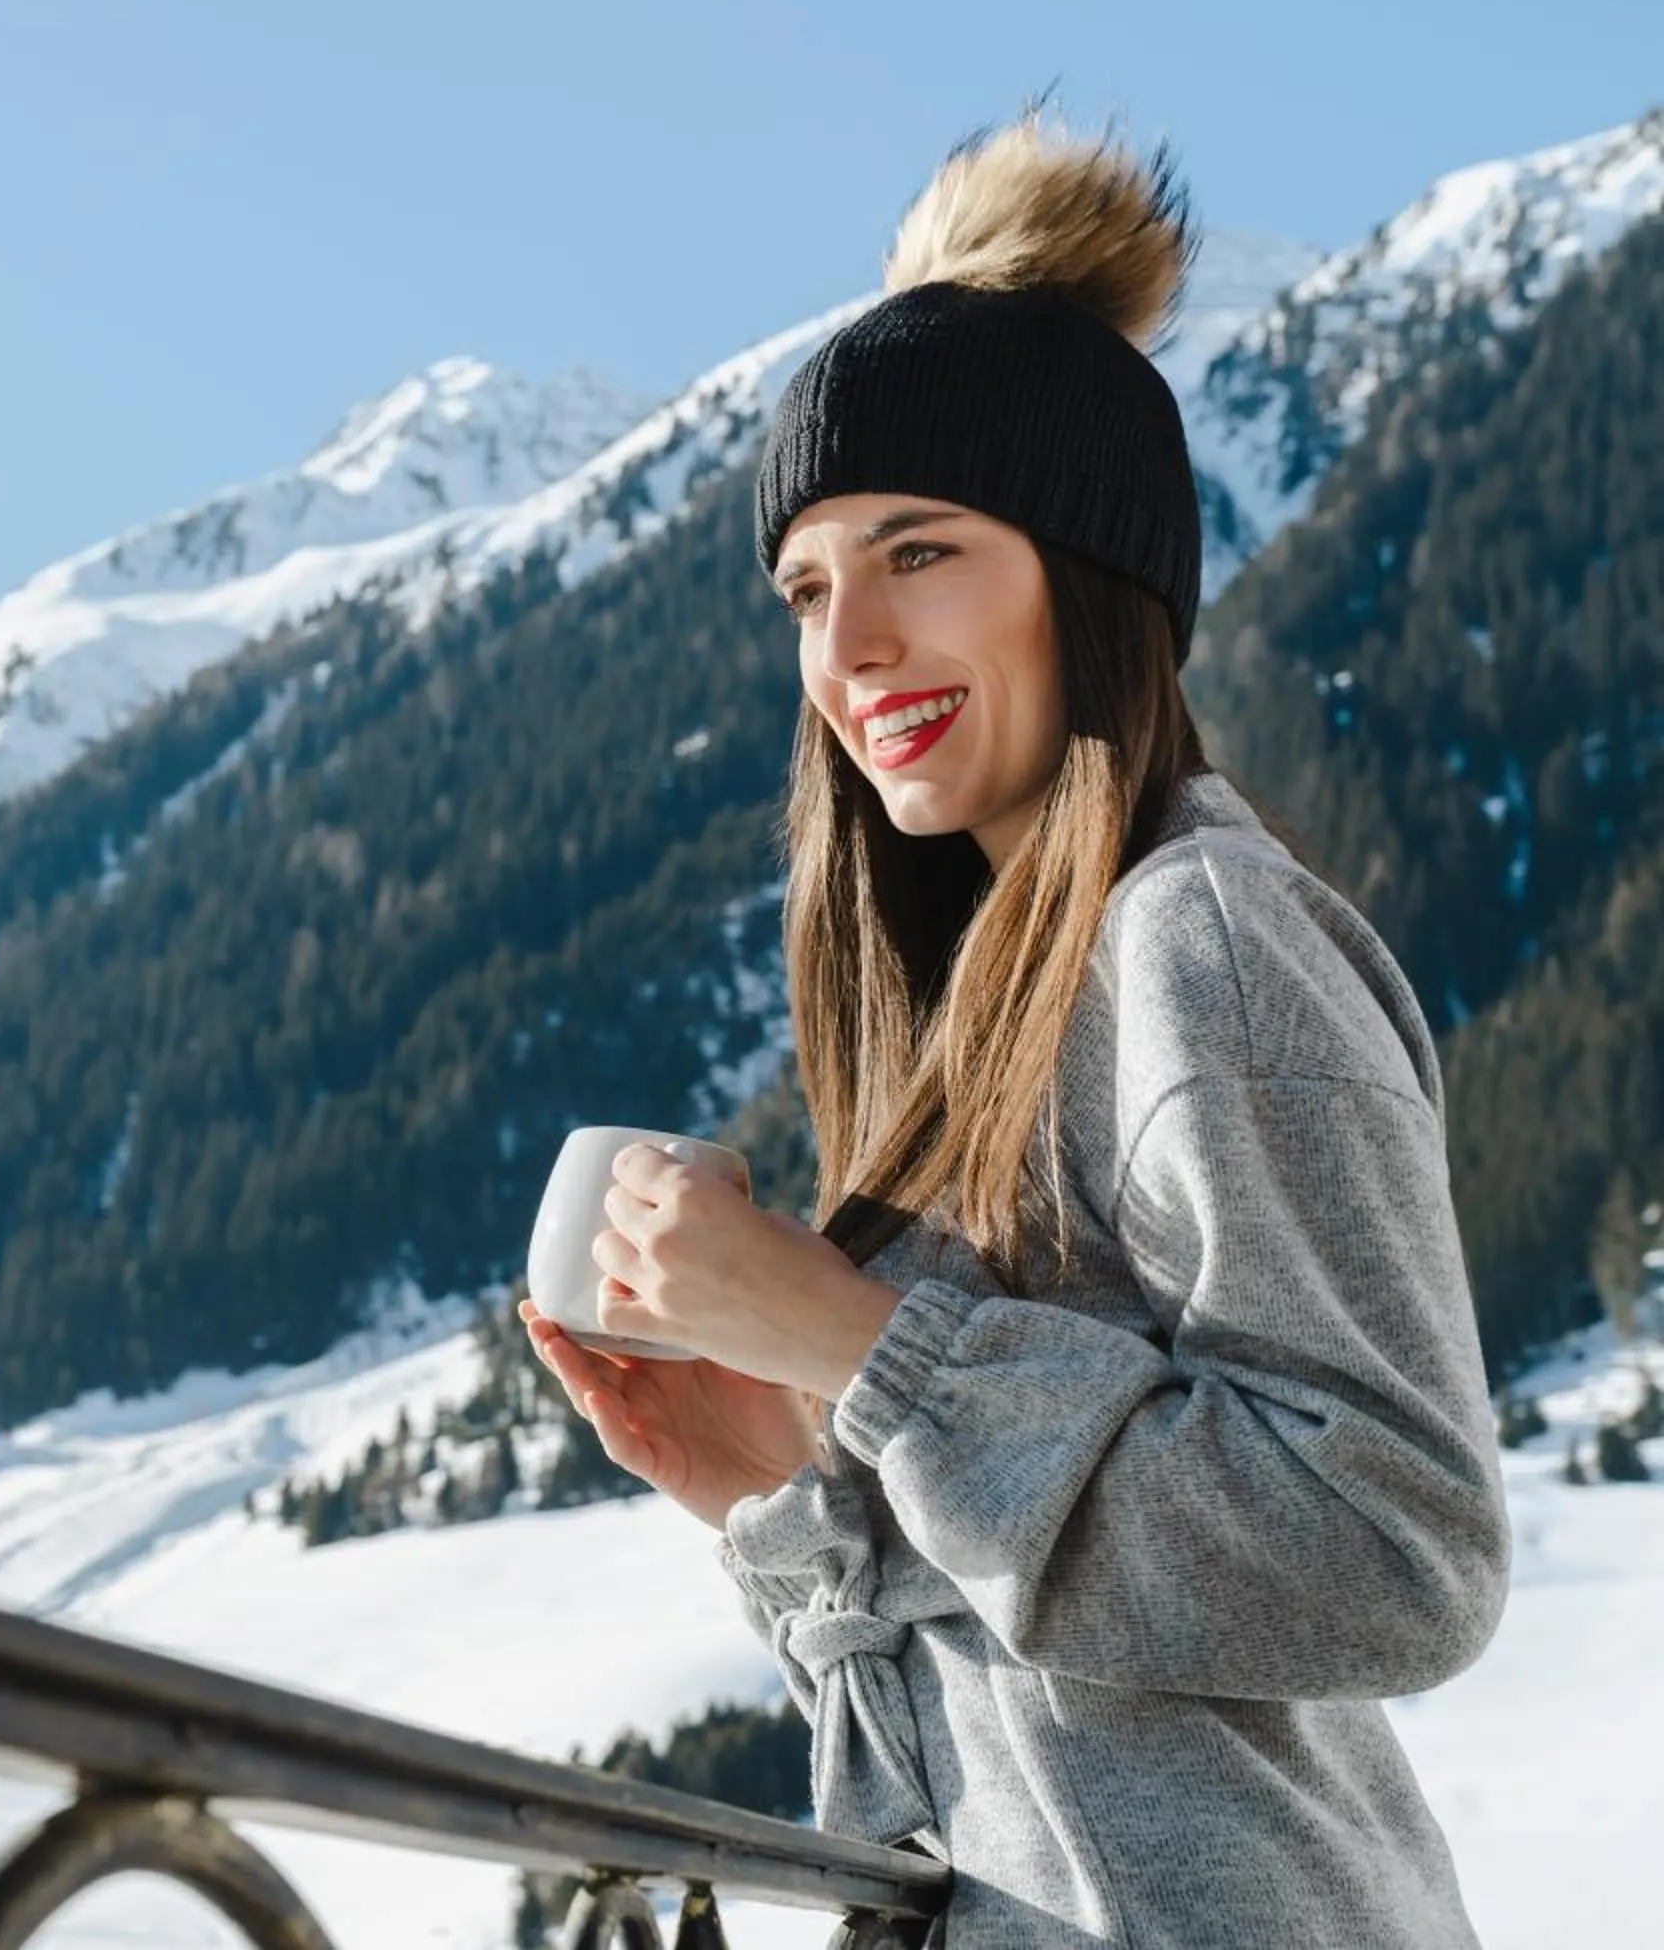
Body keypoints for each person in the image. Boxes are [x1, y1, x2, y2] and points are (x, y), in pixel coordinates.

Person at [518, 104, 1511, 1948]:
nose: (852, 645)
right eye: (807, 589)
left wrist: (861, 1346)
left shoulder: (1198, 941)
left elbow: (1400, 1553)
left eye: (921, 552)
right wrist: (768, 1487)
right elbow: (1044, 1678)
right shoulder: (982, 1013)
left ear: (1083, 566)